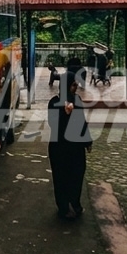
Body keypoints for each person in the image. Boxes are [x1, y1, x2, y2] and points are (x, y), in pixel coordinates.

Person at [47, 75, 92, 220]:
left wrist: (87, 141)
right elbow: (53, 123)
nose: (76, 87)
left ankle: (75, 203)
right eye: (73, 85)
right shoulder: (54, 103)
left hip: (76, 148)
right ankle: (64, 207)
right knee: (61, 178)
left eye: (76, 85)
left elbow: (82, 121)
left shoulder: (77, 100)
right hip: (59, 148)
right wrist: (65, 113)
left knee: (77, 175)